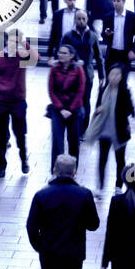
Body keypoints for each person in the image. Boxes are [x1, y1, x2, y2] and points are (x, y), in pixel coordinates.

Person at [0, 30, 33, 177]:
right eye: (11, 41)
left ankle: (24, 159)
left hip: (18, 101)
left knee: (20, 134)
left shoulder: (22, 56)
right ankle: (1, 166)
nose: (13, 44)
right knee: (0, 136)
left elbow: (36, 57)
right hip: (1, 101)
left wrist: (24, 43)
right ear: (6, 41)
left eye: (16, 41)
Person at [83, 62, 135, 193]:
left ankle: (119, 185)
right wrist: (98, 110)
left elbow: (130, 109)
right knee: (102, 159)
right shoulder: (103, 89)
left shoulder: (125, 91)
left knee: (120, 160)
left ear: (122, 77)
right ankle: (100, 186)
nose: (115, 77)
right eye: (112, 74)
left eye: (118, 74)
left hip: (120, 130)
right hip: (104, 131)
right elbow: (96, 107)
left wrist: (129, 121)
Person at [47, 43, 87, 172]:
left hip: (74, 110)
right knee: (57, 141)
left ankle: (73, 170)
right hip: (58, 110)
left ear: (71, 56)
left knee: (73, 141)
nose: (60, 55)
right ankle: (55, 169)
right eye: (60, 52)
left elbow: (81, 90)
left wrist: (70, 109)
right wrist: (60, 108)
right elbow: (51, 90)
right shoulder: (54, 68)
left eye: (64, 53)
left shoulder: (78, 69)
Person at [101, 0, 135, 74]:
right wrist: (106, 34)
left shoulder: (132, 17)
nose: (115, 3)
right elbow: (103, 34)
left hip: (125, 54)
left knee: (123, 82)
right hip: (111, 53)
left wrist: (134, 50)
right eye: (114, 1)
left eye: (118, 1)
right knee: (109, 80)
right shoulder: (108, 16)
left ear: (124, 1)